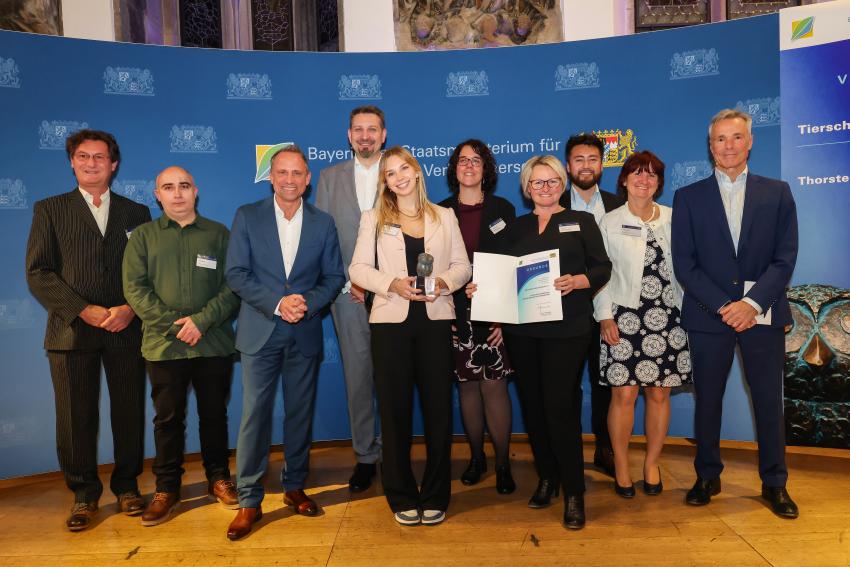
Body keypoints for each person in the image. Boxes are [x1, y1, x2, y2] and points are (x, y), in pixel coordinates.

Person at [468, 155, 611, 529]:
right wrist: (479, 289)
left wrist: (577, 281)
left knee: (561, 408)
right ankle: (548, 478)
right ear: (526, 188)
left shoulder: (582, 222)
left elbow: (601, 267)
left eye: (551, 182)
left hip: (568, 331)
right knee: (532, 407)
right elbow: (497, 275)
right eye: (537, 182)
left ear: (561, 184)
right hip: (523, 333)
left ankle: (575, 491)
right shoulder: (513, 228)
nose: (544, 188)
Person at [672, 109, 799, 518]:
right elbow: (685, 264)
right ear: (710, 146)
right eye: (720, 139)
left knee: (768, 402)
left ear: (750, 141)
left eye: (736, 137)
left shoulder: (777, 192)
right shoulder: (688, 197)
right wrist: (727, 306)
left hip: (762, 315)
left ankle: (774, 482)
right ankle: (707, 475)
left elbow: (785, 258)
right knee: (708, 400)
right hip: (710, 316)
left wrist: (752, 303)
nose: (728, 146)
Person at [25, 129, 151, 531]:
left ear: (113, 165)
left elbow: (146, 272)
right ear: (72, 162)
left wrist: (131, 308)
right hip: (71, 331)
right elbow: (38, 272)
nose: (92, 163)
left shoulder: (137, 212)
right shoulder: (50, 209)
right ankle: (83, 495)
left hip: (126, 329)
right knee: (75, 417)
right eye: (83, 156)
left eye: (100, 157)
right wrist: (83, 310)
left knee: (129, 412)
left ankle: (128, 486)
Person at [224, 145, 345, 540]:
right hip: (261, 330)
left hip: (304, 330)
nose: (290, 180)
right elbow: (237, 274)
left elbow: (333, 277)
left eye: (297, 173)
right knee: (254, 417)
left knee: (299, 414)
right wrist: (278, 304)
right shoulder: (247, 216)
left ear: (308, 179)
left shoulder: (323, 223)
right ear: (271, 177)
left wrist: (305, 304)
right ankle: (249, 500)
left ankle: (294, 487)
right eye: (282, 173)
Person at [349, 146, 471, 526]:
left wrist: (444, 283)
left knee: (438, 412)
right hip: (391, 325)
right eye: (390, 173)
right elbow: (357, 268)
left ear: (417, 173)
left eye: (404, 169)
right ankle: (400, 493)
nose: (399, 177)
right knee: (394, 412)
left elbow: (463, 266)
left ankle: (436, 493)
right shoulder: (373, 218)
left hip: (435, 322)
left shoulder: (444, 216)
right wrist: (391, 284)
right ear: (384, 182)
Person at [122, 166, 240, 526]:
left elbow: (234, 286)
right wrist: (177, 329)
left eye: (184, 186)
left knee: (214, 415)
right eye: (168, 188)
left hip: (213, 342)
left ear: (195, 191)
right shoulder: (142, 237)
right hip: (164, 347)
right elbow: (135, 290)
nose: (177, 193)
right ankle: (166, 488)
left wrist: (201, 322)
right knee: (168, 420)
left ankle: (218, 478)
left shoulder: (219, 235)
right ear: (157, 195)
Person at [593, 151, 691, 498]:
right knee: (623, 394)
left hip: (669, 317)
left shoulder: (674, 217)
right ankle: (621, 465)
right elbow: (599, 273)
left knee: (659, 393)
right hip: (623, 318)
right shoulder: (609, 221)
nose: (644, 180)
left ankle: (651, 463)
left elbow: (690, 267)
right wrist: (603, 314)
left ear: (659, 184)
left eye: (652, 175)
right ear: (624, 180)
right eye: (637, 173)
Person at [315, 106, 386, 492]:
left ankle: (395, 451)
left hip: (396, 294)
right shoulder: (329, 178)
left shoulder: (400, 171)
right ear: (348, 135)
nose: (364, 136)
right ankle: (365, 456)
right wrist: (351, 283)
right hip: (348, 295)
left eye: (371, 129)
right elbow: (325, 239)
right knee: (358, 377)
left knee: (393, 376)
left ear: (383, 134)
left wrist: (383, 283)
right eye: (358, 130)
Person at [438, 139, 516, 493]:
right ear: (455, 169)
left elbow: (514, 265)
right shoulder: (438, 212)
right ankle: (475, 458)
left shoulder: (504, 209)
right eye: (463, 160)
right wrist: (444, 308)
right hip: (452, 311)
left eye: (477, 160)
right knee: (467, 387)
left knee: (495, 387)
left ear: (487, 169)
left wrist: (502, 315)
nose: (469, 166)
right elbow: (433, 267)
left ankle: (502, 463)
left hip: (494, 312)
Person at [560, 133, 624, 478]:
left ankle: (605, 448)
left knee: (606, 385)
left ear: (602, 164)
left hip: (610, 313)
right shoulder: (551, 204)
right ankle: (566, 454)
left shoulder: (619, 205)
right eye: (579, 160)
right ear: (568, 166)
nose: (586, 166)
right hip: (565, 312)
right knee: (567, 386)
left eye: (593, 159)